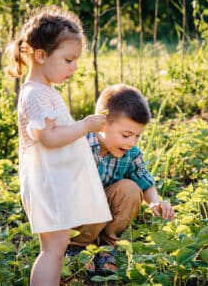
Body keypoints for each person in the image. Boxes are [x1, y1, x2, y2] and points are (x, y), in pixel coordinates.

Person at [5, 5, 112, 286]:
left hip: (53, 181)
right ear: (41, 56)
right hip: (46, 183)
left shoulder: (44, 91)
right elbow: (49, 139)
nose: (74, 68)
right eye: (68, 59)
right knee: (52, 249)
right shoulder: (34, 95)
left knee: (58, 244)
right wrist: (86, 126)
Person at [68, 83, 175, 274]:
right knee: (90, 189)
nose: (131, 142)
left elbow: (144, 180)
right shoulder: (79, 144)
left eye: (137, 136)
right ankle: (78, 247)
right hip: (77, 216)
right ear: (102, 123)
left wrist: (155, 203)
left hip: (103, 213)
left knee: (131, 188)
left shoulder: (131, 153)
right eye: (126, 135)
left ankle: (107, 246)